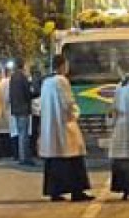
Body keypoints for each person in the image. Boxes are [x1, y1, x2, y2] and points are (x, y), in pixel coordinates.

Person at [38, 55, 93, 202]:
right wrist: (76, 113)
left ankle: (55, 192)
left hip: (50, 127)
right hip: (64, 125)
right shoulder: (62, 81)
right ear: (62, 66)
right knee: (74, 157)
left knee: (54, 160)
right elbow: (68, 103)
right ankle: (77, 191)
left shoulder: (46, 82)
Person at [9, 59, 34, 164]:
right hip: (23, 108)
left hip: (16, 109)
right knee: (24, 134)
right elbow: (27, 93)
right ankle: (25, 158)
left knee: (20, 133)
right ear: (23, 65)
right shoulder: (23, 77)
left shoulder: (13, 77)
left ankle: (21, 156)